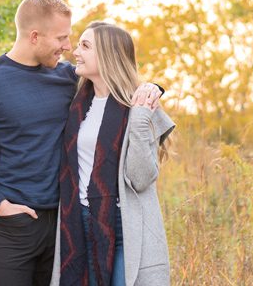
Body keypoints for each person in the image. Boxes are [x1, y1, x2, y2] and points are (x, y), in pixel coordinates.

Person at [0, 0, 162, 286]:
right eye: (61, 38)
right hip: (13, 227)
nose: (68, 46)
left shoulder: (67, 76)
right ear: (35, 36)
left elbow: (114, 77)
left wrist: (153, 87)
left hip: (66, 224)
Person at [51, 21, 174, 286]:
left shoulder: (139, 105)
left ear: (108, 54)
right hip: (79, 221)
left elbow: (141, 178)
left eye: (85, 46)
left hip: (123, 226)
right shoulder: (76, 101)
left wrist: (141, 117)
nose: (76, 51)